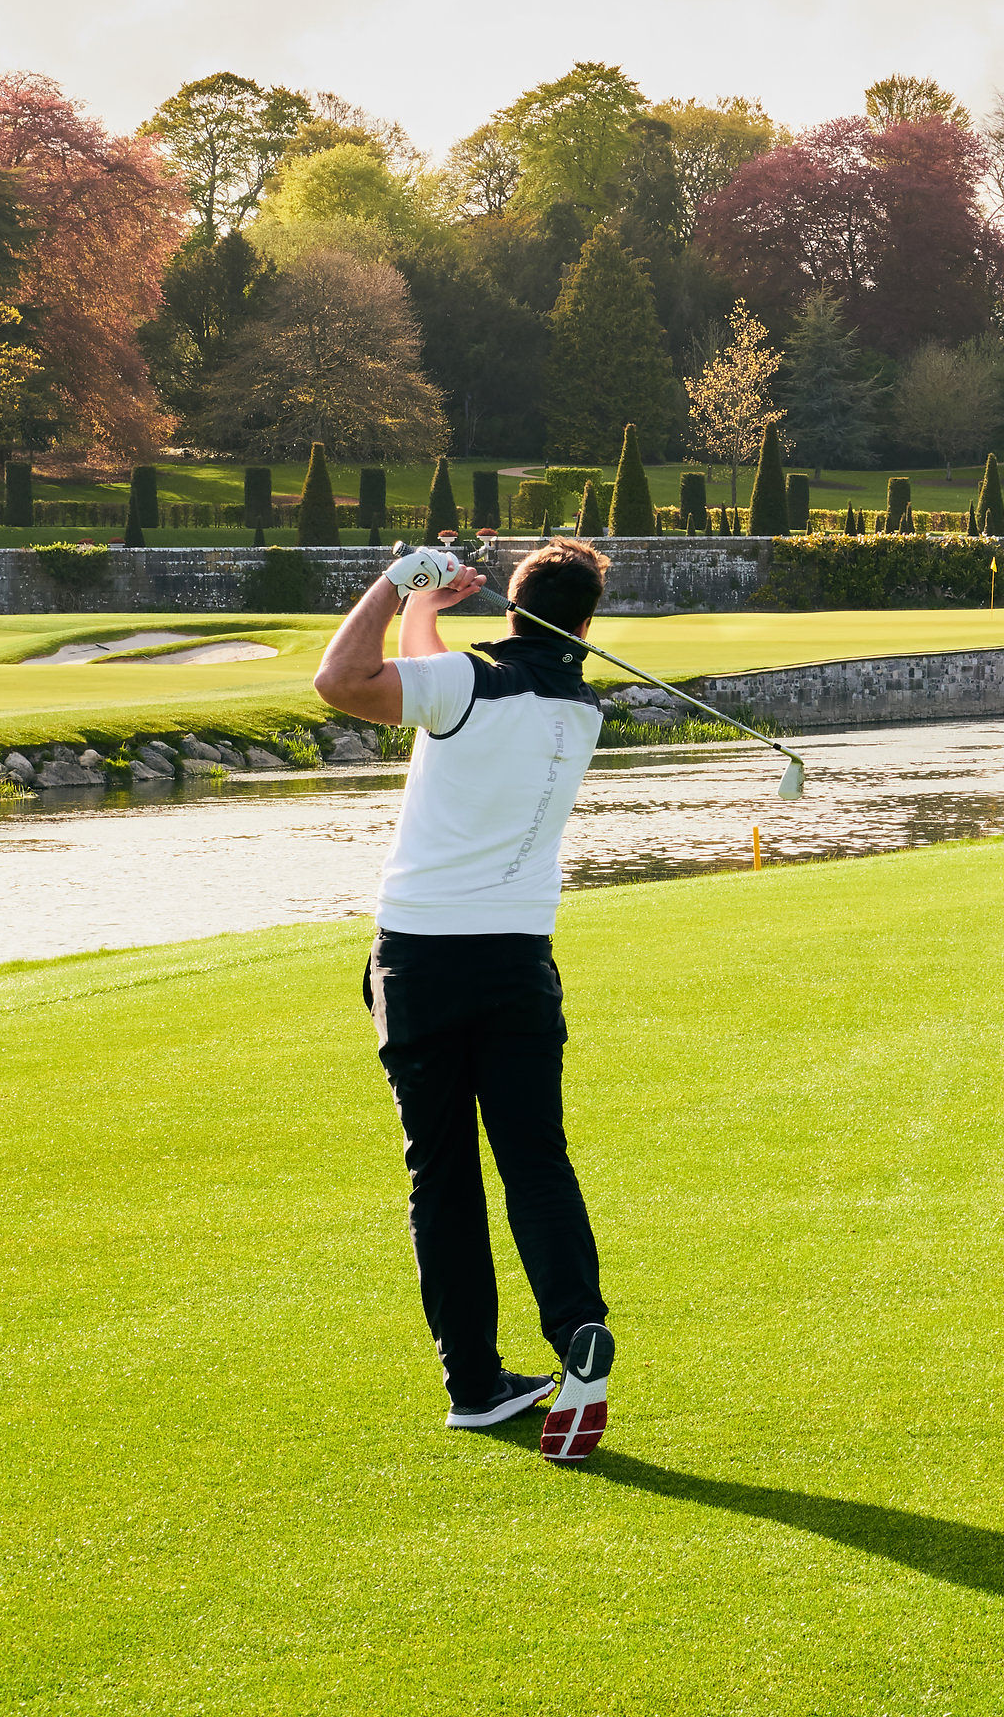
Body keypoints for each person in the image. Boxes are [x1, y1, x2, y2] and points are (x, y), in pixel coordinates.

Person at [313, 536, 619, 1462]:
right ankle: (576, 1334)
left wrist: (402, 582)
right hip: (519, 960)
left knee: (441, 1175)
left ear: (512, 610)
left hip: (420, 961)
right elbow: (428, 677)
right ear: (584, 624)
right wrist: (432, 614)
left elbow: (341, 680)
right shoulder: (582, 710)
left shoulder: (463, 687)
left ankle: (475, 1384)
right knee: (535, 1160)